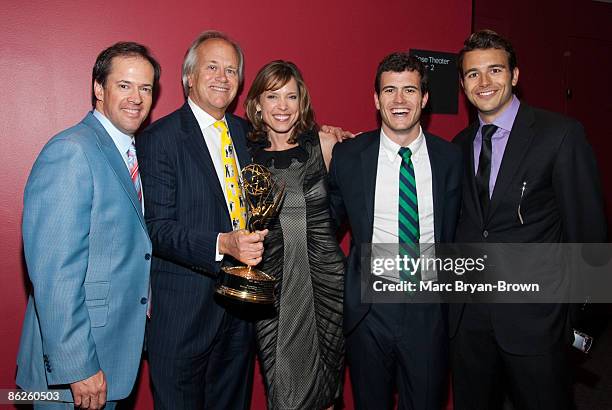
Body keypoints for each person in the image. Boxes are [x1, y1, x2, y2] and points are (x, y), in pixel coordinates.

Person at [450, 30, 607, 410]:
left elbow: (589, 236)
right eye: (473, 74)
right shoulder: (458, 144)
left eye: (495, 70)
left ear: (515, 74)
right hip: (469, 323)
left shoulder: (560, 135)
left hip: (537, 322)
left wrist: (579, 322)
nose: (484, 82)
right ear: (462, 83)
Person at [16, 42, 159, 409]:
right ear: (99, 88)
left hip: (112, 353)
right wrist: (78, 365)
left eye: (145, 88)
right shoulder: (72, 151)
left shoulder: (126, 152)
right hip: (78, 368)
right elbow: (54, 274)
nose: (137, 98)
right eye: (124, 85)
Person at [328, 52, 462, 409]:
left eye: (409, 90)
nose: (399, 100)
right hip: (369, 309)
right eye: (390, 90)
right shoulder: (348, 156)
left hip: (429, 308)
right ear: (376, 99)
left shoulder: (451, 159)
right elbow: (324, 226)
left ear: (425, 98)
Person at [137, 31, 263, 410]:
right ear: (189, 76)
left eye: (231, 70)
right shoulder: (159, 139)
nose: (223, 77)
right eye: (212, 67)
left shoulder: (246, 135)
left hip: (239, 311)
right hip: (183, 316)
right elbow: (156, 229)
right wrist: (221, 244)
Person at [243, 60, 345, 409]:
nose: (283, 107)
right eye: (273, 96)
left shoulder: (326, 145)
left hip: (325, 284)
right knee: (283, 387)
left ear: (302, 101)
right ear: (258, 103)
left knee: (326, 387)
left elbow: (352, 201)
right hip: (273, 289)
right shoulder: (244, 156)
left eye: (291, 96)